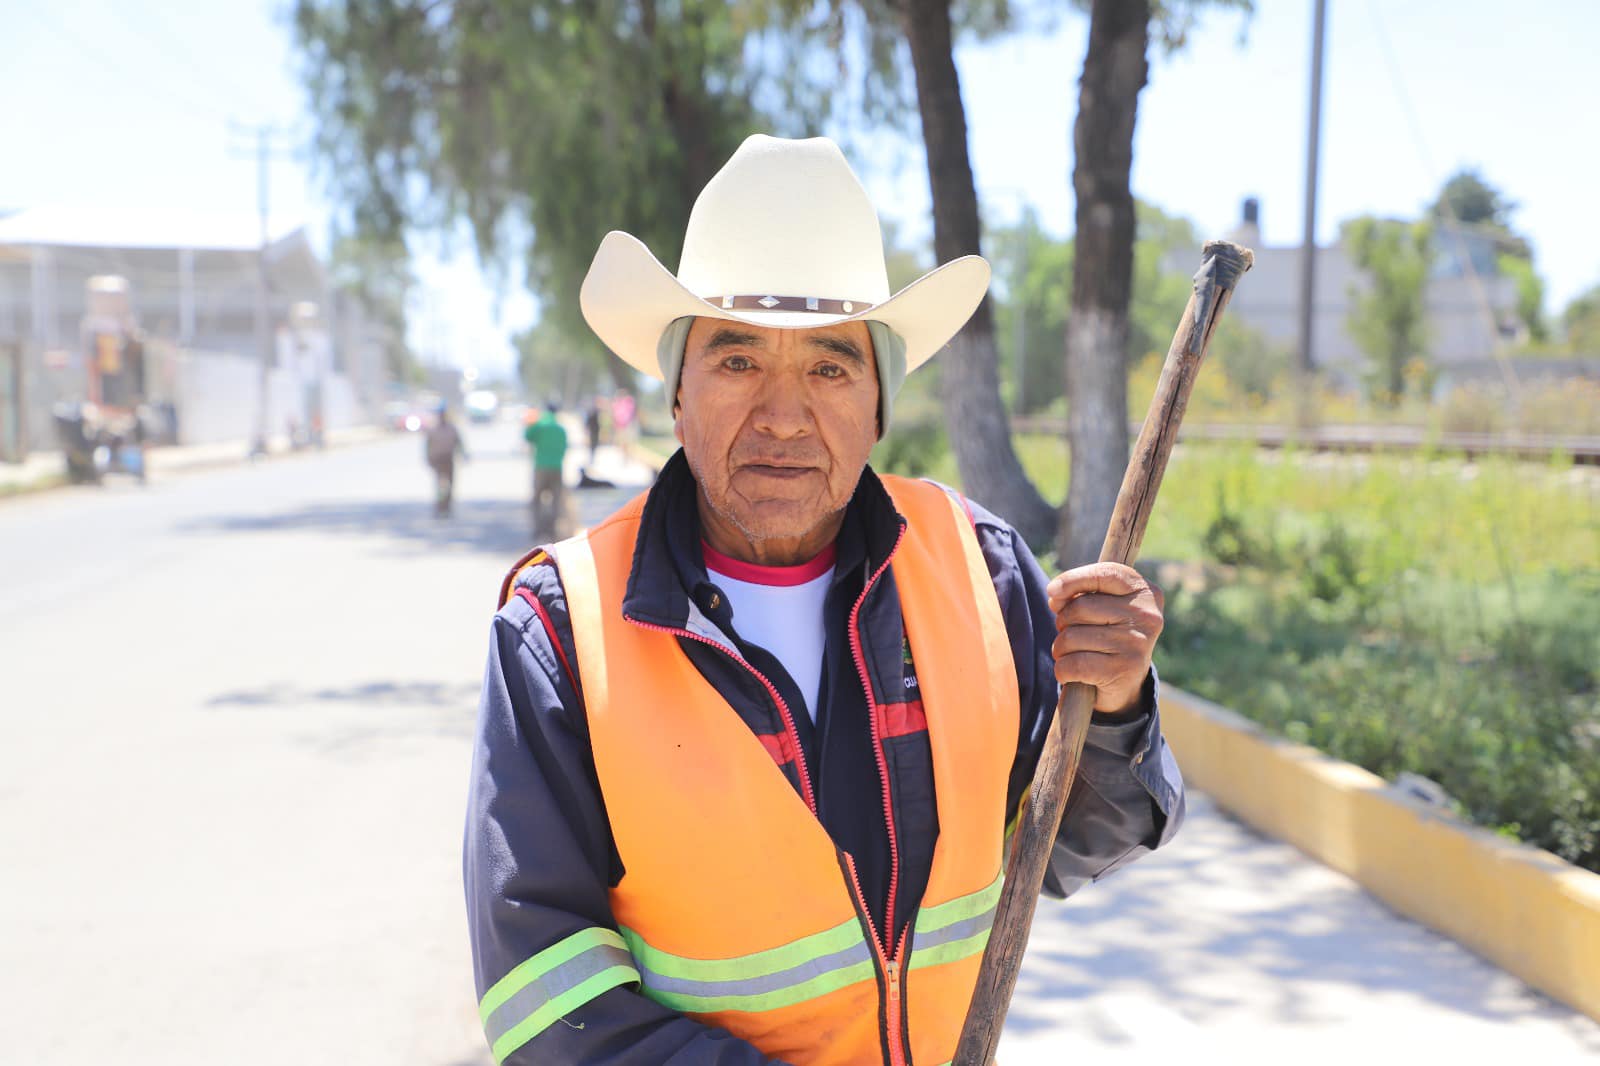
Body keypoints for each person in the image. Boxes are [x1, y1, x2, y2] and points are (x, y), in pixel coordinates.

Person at [464, 135, 1184, 1065]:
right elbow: (543, 1003)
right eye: (736, 362)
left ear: (879, 405)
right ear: (675, 394)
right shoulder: (560, 631)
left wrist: (1117, 700)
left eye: (830, 367)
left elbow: (1074, 842)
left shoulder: (980, 569)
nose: (783, 414)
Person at [525, 396, 569, 539]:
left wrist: (531, 420)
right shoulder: (560, 429)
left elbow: (527, 436)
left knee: (537, 499)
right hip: (557, 467)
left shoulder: (540, 425)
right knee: (555, 500)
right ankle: (552, 529)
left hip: (541, 466)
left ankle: (538, 529)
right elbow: (564, 448)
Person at [425, 403, 465, 517]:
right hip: (438, 460)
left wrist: (463, 454)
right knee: (440, 484)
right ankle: (440, 506)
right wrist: (429, 459)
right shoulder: (433, 429)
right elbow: (428, 446)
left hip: (449, 459)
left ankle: (447, 506)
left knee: (450, 484)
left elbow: (459, 443)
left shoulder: (451, 428)